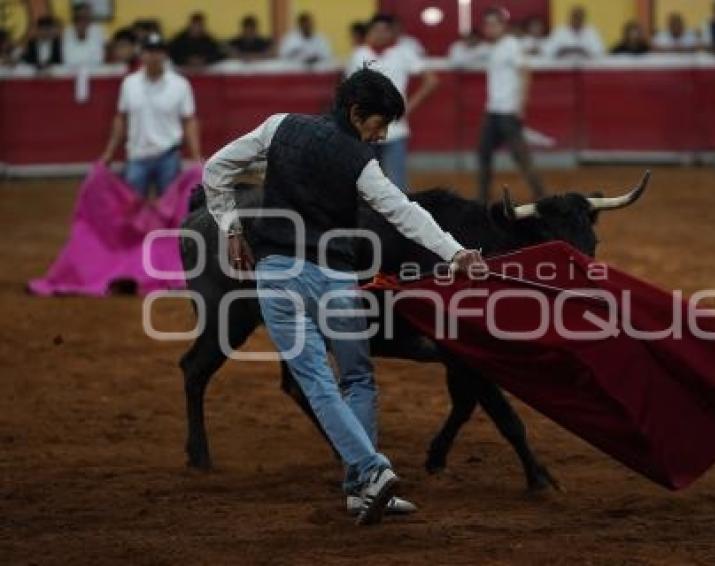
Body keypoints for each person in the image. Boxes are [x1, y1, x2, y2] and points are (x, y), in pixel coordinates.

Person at [201, 68, 486, 525]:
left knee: (317, 378)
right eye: (379, 124)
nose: (381, 135)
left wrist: (231, 227)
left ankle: (362, 486)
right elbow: (404, 213)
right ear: (355, 113)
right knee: (356, 378)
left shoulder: (279, 127)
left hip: (278, 274)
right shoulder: (360, 162)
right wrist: (455, 253)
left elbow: (216, 169)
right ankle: (371, 471)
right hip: (334, 279)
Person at [99, 34, 202, 198]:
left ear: (165, 55)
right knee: (133, 208)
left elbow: (189, 121)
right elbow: (121, 119)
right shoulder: (129, 84)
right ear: (142, 54)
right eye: (149, 51)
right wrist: (110, 152)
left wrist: (196, 155)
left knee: (168, 208)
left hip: (168, 155)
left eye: (158, 51)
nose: (153, 56)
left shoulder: (180, 85)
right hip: (137, 155)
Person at [346, 13, 439, 190]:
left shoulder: (403, 53)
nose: (381, 34)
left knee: (397, 187)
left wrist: (408, 107)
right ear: (369, 32)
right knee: (366, 186)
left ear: (391, 33)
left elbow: (432, 80)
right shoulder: (359, 54)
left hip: (395, 129)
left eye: (385, 30)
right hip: (365, 130)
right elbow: (350, 91)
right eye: (376, 30)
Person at [478, 7, 546, 203]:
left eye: (493, 24)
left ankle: (541, 195)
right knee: (484, 152)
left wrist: (521, 104)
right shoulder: (496, 46)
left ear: (503, 26)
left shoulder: (511, 45)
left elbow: (525, 71)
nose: (489, 28)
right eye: (487, 24)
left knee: (521, 156)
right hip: (493, 110)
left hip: (508, 111)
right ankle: (483, 198)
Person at [62, 1, 105, 67]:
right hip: (71, 70)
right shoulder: (68, 31)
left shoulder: (97, 30)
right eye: (80, 17)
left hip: (95, 69)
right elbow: (68, 59)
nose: (83, 20)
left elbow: (98, 58)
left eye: (85, 16)